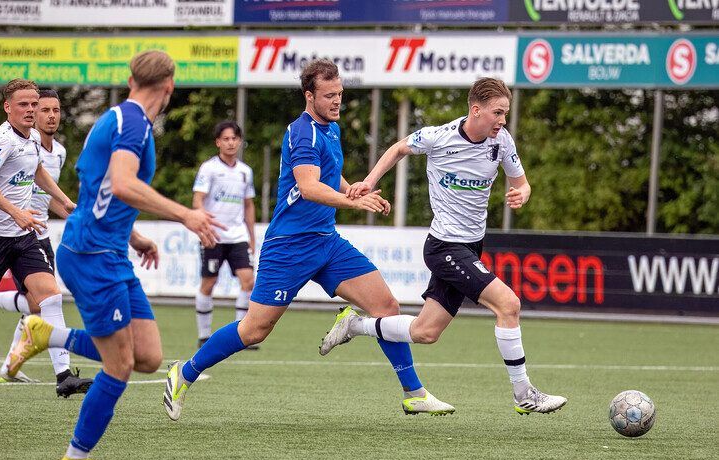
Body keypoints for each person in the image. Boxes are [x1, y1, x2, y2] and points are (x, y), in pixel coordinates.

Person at [162, 59, 454, 421]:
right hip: (289, 246)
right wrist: (352, 200)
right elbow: (309, 186)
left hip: (327, 243)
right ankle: (183, 373)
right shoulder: (303, 132)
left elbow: (328, 173)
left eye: (340, 94)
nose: (337, 101)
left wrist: (354, 187)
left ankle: (414, 393)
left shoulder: (331, 128)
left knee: (386, 306)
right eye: (329, 95)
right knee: (255, 330)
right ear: (309, 95)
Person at [5, 50, 223, 460]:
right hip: (91, 255)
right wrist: (187, 215)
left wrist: (134, 236)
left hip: (109, 251)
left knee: (148, 357)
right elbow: (123, 184)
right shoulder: (134, 123)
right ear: (169, 86)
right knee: (119, 364)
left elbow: (99, 194)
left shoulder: (113, 119)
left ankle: (45, 333)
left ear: (131, 79)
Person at [320, 77, 568, 415]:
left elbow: (522, 184)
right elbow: (398, 148)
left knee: (426, 331)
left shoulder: (502, 142)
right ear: (476, 109)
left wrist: (521, 193)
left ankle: (355, 325)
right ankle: (524, 394)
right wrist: (369, 181)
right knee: (508, 304)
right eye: (498, 112)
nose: (502, 121)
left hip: (471, 246)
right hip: (445, 246)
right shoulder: (439, 136)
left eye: (505, 114)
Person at [0, 89, 93, 396]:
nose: (47, 114)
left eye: (53, 109)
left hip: (34, 233)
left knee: (46, 300)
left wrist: (66, 206)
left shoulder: (54, 150)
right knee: (25, 304)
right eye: (40, 108)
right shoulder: (8, 141)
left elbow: (41, 187)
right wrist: (17, 212)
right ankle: (10, 365)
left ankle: (51, 375)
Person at [193, 121, 258, 349]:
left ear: (239, 141)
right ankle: (204, 335)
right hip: (214, 236)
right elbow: (198, 200)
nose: (231, 143)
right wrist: (203, 227)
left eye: (234, 138)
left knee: (248, 281)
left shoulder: (245, 172)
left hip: (238, 235)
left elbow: (248, 205)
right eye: (226, 139)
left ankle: (241, 334)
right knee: (209, 283)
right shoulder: (209, 169)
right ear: (218, 142)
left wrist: (251, 236)